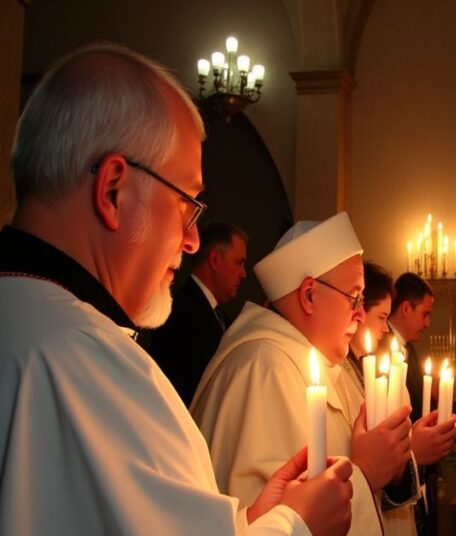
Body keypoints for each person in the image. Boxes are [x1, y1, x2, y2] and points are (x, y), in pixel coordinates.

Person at [0, 43, 351, 534]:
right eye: (188, 204)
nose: (190, 242)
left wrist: (247, 521)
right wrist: (298, 524)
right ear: (113, 190)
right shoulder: (91, 365)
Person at [192, 213, 415, 536]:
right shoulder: (263, 370)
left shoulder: (321, 363)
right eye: (353, 297)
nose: (359, 313)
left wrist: (391, 465)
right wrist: (364, 473)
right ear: (309, 295)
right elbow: (271, 523)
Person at [148, 220, 249, 404]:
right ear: (215, 260)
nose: (244, 274)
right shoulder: (179, 313)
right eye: (239, 263)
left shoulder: (223, 317)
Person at [389, 272, 456, 536]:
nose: (428, 323)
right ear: (406, 308)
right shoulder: (383, 349)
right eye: (425, 314)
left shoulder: (410, 350)